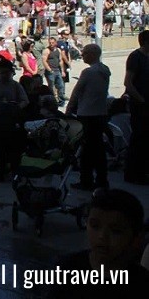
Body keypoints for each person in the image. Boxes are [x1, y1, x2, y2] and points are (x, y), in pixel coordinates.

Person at [48, 189, 149, 299]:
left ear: (136, 237)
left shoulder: (141, 284)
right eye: (95, 226)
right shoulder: (67, 268)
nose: (102, 236)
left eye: (115, 231)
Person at [66, 44, 110, 190]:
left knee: (86, 150)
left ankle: (86, 180)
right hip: (100, 113)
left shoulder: (88, 72)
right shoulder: (105, 70)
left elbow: (77, 91)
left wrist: (69, 108)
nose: (82, 55)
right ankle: (102, 179)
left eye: (85, 53)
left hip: (87, 114)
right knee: (99, 149)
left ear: (92, 54)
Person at [123, 30, 149, 185]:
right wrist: (141, 100)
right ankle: (133, 173)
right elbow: (128, 82)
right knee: (138, 139)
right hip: (140, 106)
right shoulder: (135, 57)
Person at [42, 36, 68, 107]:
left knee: (61, 86)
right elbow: (44, 61)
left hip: (57, 70)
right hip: (50, 71)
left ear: (56, 43)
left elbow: (60, 61)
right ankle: (52, 102)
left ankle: (61, 101)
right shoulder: (46, 51)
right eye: (50, 43)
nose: (51, 44)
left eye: (52, 43)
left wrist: (62, 71)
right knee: (51, 87)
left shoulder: (58, 50)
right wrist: (49, 70)